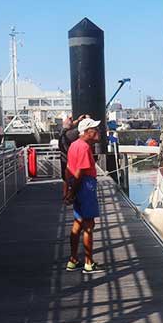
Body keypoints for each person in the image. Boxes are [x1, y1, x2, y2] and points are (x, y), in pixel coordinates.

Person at [65, 117, 104, 274]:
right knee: (89, 224)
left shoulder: (73, 145)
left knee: (78, 222)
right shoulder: (84, 148)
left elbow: (69, 168)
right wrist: (73, 191)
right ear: (88, 132)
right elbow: (81, 171)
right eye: (95, 129)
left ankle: (73, 259)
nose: (98, 131)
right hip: (85, 185)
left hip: (76, 183)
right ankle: (89, 263)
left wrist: (68, 189)